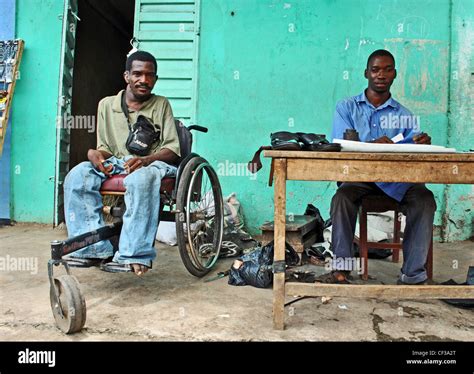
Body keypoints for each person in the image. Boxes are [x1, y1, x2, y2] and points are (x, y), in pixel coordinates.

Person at [316, 49, 436, 285]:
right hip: (359, 179)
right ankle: (342, 268)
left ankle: (412, 275)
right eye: (376, 69)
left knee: (425, 199)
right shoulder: (347, 108)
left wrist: (422, 142)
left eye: (387, 69)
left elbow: (413, 147)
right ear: (366, 73)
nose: (381, 74)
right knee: (341, 198)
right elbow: (339, 145)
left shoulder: (404, 115)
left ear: (395, 74)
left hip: (396, 180)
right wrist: (370, 144)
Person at [63, 51, 181, 275]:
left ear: (155, 79)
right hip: (117, 162)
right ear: (126, 76)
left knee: (140, 179)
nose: (144, 80)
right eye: (137, 74)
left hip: (153, 165)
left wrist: (146, 160)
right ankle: (92, 248)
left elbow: (173, 150)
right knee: (78, 175)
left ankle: (134, 254)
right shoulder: (107, 105)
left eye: (150, 75)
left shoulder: (161, 104)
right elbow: (105, 148)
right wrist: (94, 154)